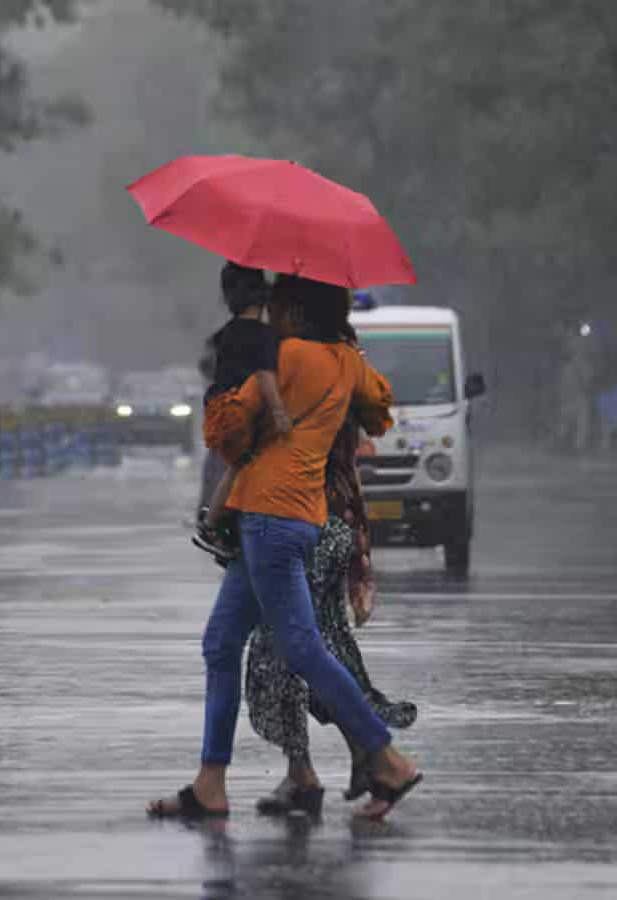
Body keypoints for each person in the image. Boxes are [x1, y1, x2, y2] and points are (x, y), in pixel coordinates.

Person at [148, 275, 422, 822]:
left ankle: (387, 757)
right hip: (300, 515)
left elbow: (223, 429)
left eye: (276, 303)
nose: (269, 311)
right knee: (221, 643)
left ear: (295, 310)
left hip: (269, 517)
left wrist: (230, 380)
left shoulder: (286, 355)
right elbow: (380, 409)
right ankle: (210, 783)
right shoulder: (345, 361)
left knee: (302, 648)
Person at [246, 413, 417, 817]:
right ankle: (327, 766)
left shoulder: (296, 379)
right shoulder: (340, 373)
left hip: (305, 525)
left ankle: (375, 759)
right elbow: (351, 468)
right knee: (317, 648)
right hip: (330, 524)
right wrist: (359, 554)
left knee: (284, 652)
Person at [192, 263, 291, 561]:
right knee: (245, 469)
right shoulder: (264, 336)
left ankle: (214, 526)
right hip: (242, 416)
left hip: (219, 414)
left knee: (233, 469)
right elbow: (264, 375)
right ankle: (215, 526)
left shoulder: (225, 335)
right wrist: (279, 412)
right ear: (263, 297)